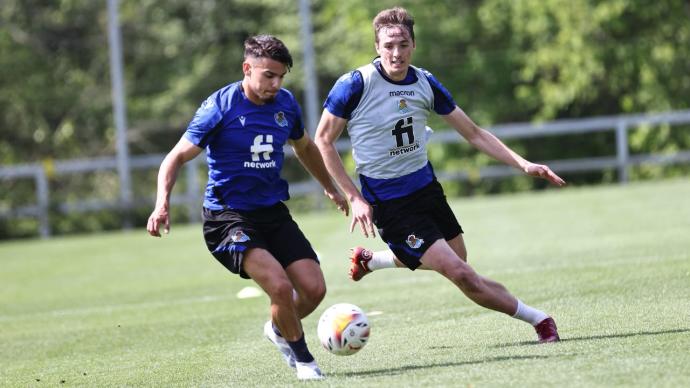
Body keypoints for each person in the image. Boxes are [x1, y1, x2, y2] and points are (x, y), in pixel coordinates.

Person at [314, 7, 564, 344]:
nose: (396, 53)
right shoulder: (355, 85)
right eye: (388, 45)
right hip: (389, 203)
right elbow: (322, 140)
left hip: (426, 188)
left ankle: (371, 262)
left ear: (413, 45)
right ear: (377, 47)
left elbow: (474, 133)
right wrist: (353, 197)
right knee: (461, 273)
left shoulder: (424, 82)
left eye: (403, 44)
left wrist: (523, 164)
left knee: (457, 258)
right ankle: (540, 319)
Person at [147, 35, 348, 380]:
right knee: (280, 287)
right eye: (268, 75)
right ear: (247, 69)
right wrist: (161, 203)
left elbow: (305, 148)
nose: (275, 83)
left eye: (281, 76)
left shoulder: (286, 104)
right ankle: (304, 361)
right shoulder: (220, 107)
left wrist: (330, 187)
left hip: (271, 211)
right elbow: (175, 157)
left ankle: (277, 327)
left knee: (314, 289)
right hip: (227, 216)